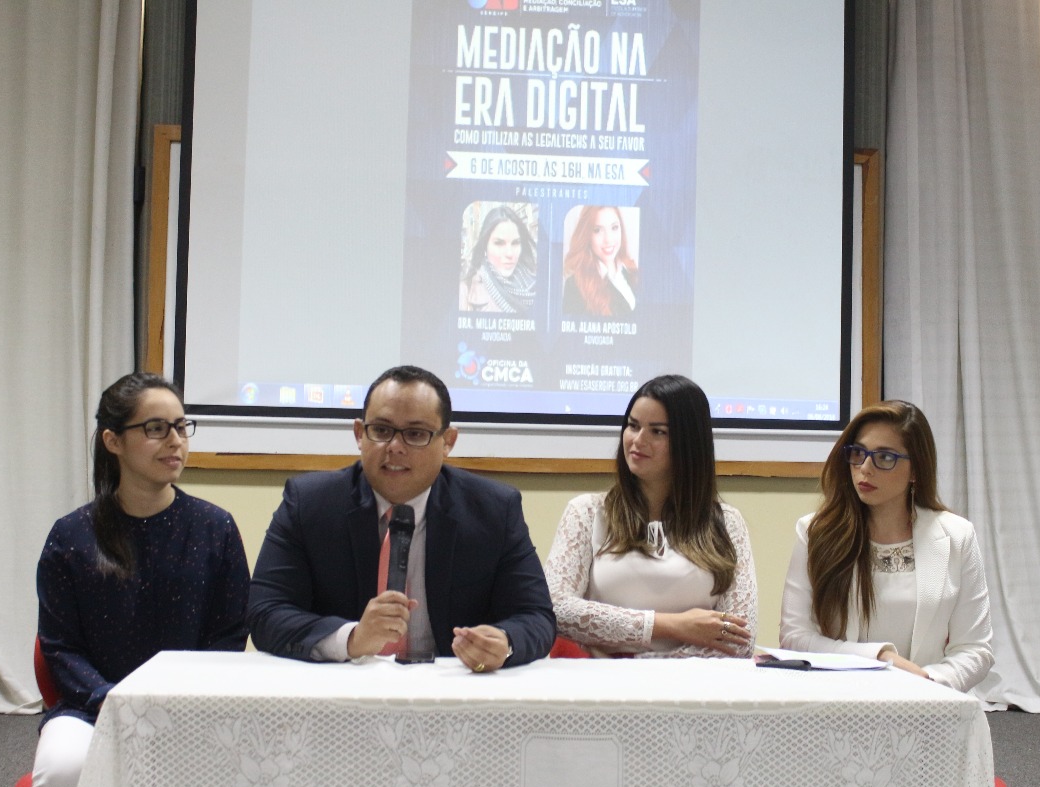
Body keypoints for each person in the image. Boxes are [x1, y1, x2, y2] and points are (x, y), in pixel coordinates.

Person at [778, 400, 1040, 787]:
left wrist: (926, 684)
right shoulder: (816, 532)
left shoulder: (956, 536)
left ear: (916, 470)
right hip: (840, 705)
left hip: (927, 709)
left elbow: (976, 649)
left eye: (885, 457)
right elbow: (795, 637)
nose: (865, 468)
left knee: (921, 738)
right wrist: (882, 661)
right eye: (858, 453)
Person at [32, 373, 250, 787]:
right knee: (61, 771)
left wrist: (173, 705)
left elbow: (228, 637)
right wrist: (113, 701)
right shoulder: (71, 536)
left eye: (181, 426)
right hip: (91, 710)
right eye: (156, 428)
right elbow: (61, 647)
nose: (175, 441)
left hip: (192, 711)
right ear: (113, 441)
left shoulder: (215, 528)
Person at [247, 365, 556, 671]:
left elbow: (536, 617)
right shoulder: (309, 504)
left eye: (415, 434)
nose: (395, 448)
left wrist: (504, 643)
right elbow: (265, 612)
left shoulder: (494, 510)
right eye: (381, 431)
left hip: (452, 687)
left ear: (448, 441)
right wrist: (352, 638)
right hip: (343, 686)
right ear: (359, 434)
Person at [544, 375, 756, 657]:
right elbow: (554, 608)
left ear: (689, 442)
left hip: (692, 680)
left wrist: (647, 666)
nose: (638, 440)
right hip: (598, 677)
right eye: (633, 426)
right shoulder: (586, 512)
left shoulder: (727, 523)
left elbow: (739, 640)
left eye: (657, 432)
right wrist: (670, 626)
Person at [459, 205, 538, 313]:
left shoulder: (538, 283)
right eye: (499, 243)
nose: (509, 253)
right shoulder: (465, 292)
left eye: (515, 243)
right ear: (485, 246)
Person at [562, 205, 638, 316]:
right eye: (597, 230)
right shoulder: (574, 286)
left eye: (614, 228)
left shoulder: (631, 270)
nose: (608, 239)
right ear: (587, 235)